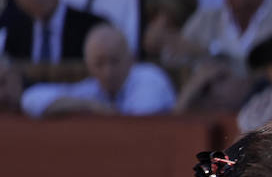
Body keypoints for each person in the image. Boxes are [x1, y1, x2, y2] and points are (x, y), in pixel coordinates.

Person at [21, 21, 175, 115]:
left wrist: (100, 109)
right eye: (99, 64)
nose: (108, 71)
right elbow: (31, 99)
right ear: (88, 66)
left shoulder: (148, 77)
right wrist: (88, 105)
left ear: (130, 59)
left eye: (114, 61)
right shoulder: (93, 89)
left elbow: (136, 122)